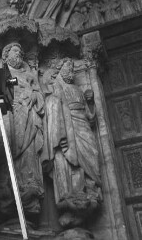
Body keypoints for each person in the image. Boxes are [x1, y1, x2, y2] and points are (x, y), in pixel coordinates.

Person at [41, 58, 102, 227]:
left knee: (91, 157)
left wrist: (89, 102)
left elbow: (90, 118)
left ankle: (88, 192)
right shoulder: (54, 88)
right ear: (59, 69)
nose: (71, 70)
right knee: (67, 163)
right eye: (68, 67)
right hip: (65, 128)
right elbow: (49, 107)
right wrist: (58, 131)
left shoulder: (77, 89)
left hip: (82, 125)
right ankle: (70, 197)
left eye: (73, 68)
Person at [0, 42, 44, 226]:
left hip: (29, 117)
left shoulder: (28, 75)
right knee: (8, 153)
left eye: (22, 51)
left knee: (28, 155)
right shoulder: (0, 72)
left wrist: (33, 96)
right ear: (6, 54)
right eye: (16, 51)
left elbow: (38, 94)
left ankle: (29, 191)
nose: (20, 54)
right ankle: (8, 194)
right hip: (11, 116)